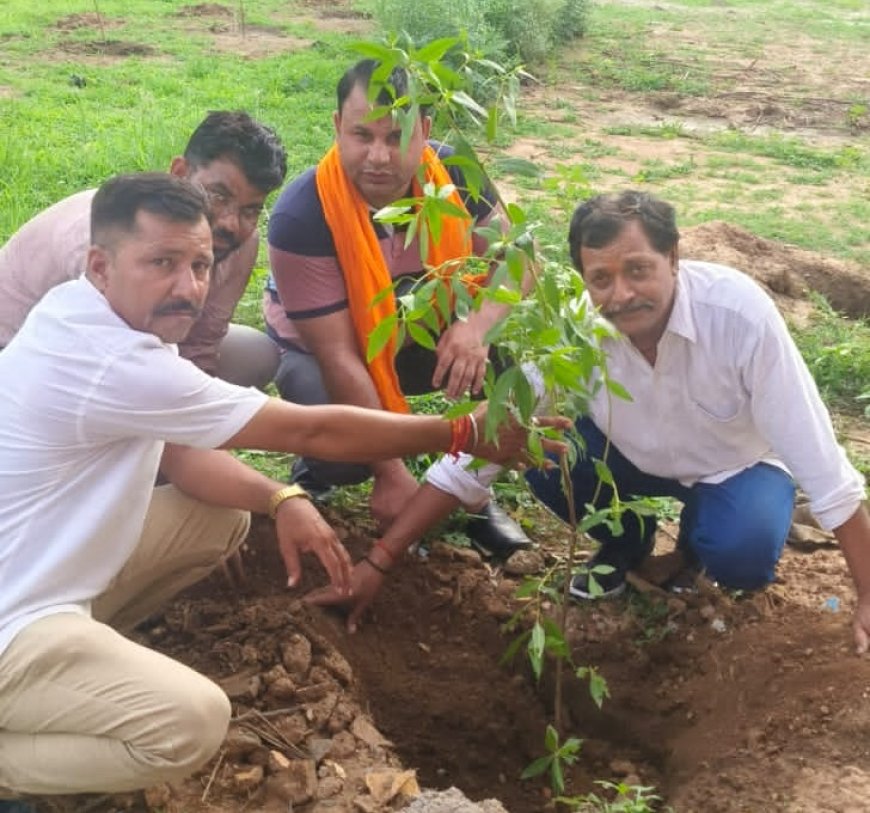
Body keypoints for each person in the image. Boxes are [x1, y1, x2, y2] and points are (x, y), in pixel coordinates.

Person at [0, 173, 567, 802]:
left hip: (35, 573)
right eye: (160, 264)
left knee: (218, 518)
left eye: (200, 264)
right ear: (100, 264)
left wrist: (283, 497)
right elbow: (312, 431)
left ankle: (74, 660)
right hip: (13, 616)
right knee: (190, 724)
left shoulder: (77, 311)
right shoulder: (112, 362)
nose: (187, 288)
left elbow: (186, 460)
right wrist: (462, 430)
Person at [309, 190, 870, 657]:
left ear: (674, 257)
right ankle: (624, 545)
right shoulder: (580, 334)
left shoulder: (740, 318)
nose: (621, 295)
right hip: (630, 459)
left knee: (742, 553)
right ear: (582, 279)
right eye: (600, 279)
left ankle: (700, 543)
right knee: (536, 446)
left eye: (638, 270)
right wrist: (380, 560)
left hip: (734, 465)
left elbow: (825, 467)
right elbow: (477, 455)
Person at [263, 58, 532, 559]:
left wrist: (475, 327)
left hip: (418, 330)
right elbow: (341, 356)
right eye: (362, 136)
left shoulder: (454, 172)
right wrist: (389, 472)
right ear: (337, 128)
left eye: (397, 137)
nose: (379, 157)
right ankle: (321, 471)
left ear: (425, 131)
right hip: (323, 350)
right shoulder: (303, 216)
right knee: (344, 442)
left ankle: (470, 494)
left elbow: (517, 261)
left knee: (507, 382)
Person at [0, 110, 286, 388]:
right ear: (179, 172)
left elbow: (203, 343)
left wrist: (192, 407)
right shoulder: (112, 234)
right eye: (218, 195)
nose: (231, 223)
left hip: (138, 343)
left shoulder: (239, 243)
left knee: (256, 355)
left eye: (250, 210)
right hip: (29, 354)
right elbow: (109, 355)